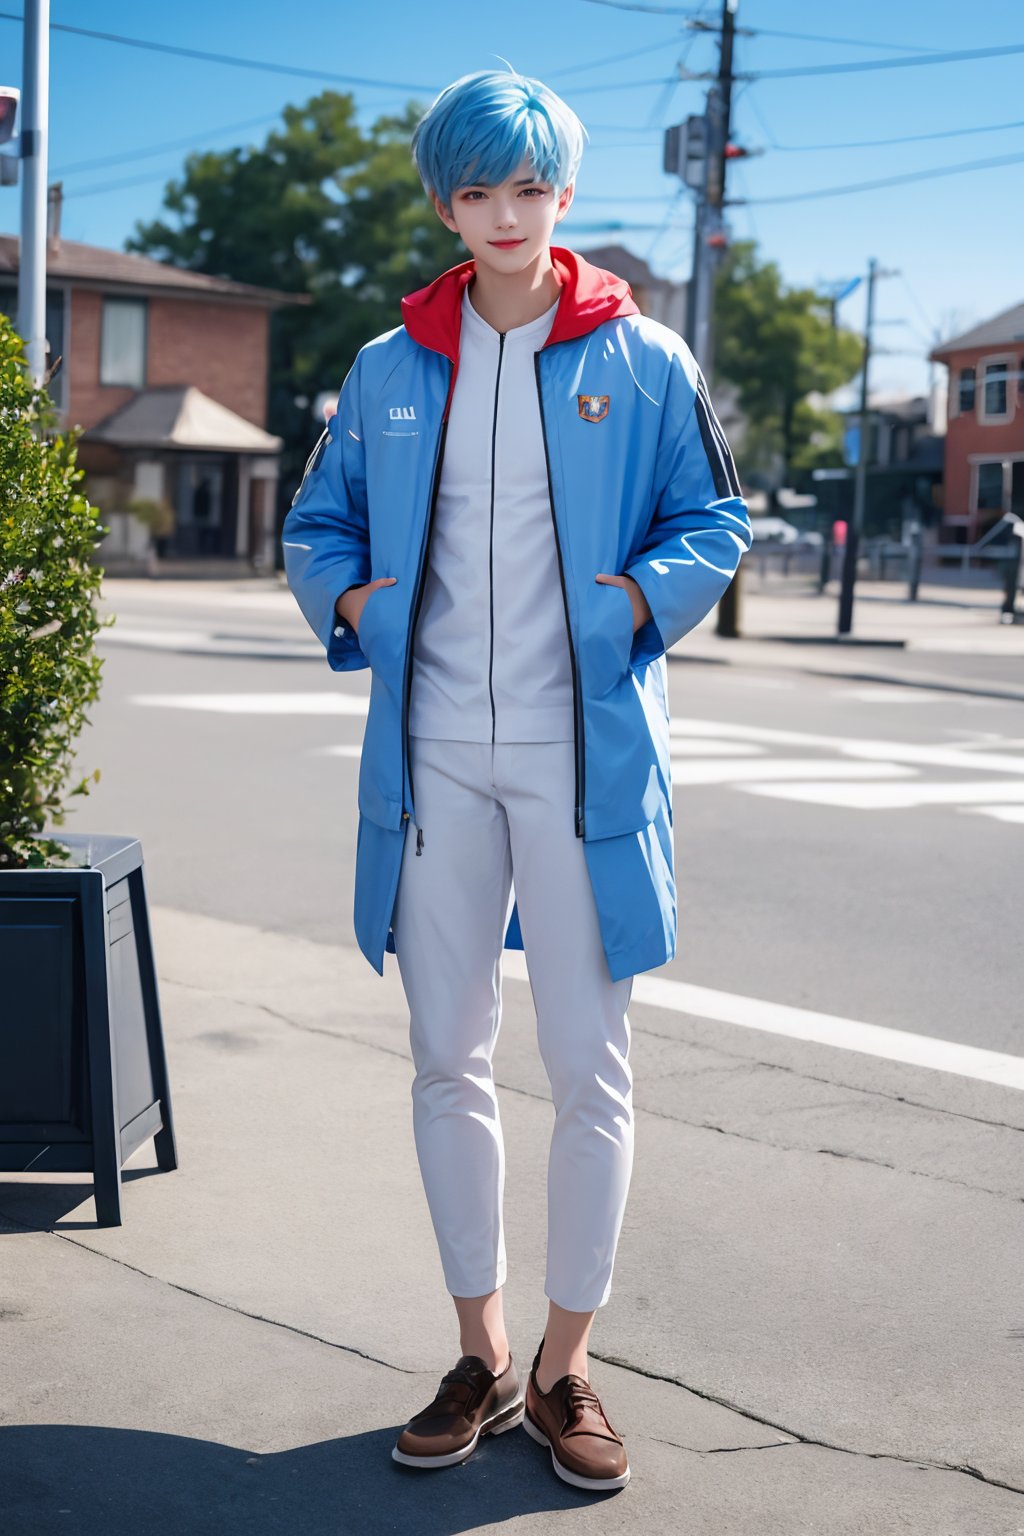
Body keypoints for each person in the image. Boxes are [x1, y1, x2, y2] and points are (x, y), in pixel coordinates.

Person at [282, 66, 751, 1494]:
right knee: (445, 1056)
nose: (504, 213)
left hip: (582, 757)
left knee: (590, 1066)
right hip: (431, 765)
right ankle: (480, 1354)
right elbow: (318, 523)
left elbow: (713, 518)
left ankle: (568, 1369)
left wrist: (623, 609)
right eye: (476, 189)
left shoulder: (646, 358)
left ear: (564, 193)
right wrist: (355, 610)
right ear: (444, 200)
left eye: (529, 186)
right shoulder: (385, 368)